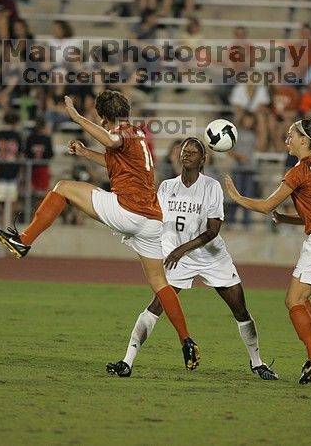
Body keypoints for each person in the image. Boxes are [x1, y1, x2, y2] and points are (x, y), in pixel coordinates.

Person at [0, 90, 201, 370]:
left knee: (63, 187)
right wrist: (86, 153)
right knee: (160, 282)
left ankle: (24, 240)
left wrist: (76, 117)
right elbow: (114, 159)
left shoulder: (121, 132)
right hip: (151, 220)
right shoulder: (136, 134)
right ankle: (187, 341)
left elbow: (112, 140)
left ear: (103, 117)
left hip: (128, 209)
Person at [106, 137, 278, 380]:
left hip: (210, 256)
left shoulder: (211, 187)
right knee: (156, 306)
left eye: (193, 151)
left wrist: (181, 249)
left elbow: (213, 230)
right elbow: (155, 218)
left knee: (240, 309)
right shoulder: (167, 187)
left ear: (203, 159)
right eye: (184, 150)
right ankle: (127, 362)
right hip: (178, 256)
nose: (186, 154)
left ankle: (257, 362)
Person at [224, 119, 311, 385]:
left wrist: (236, 197)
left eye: (291, 136)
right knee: (302, 298)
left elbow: (265, 205)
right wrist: (286, 219)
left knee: (293, 301)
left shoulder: (299, 171)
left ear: (304, 140)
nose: (287, 140)